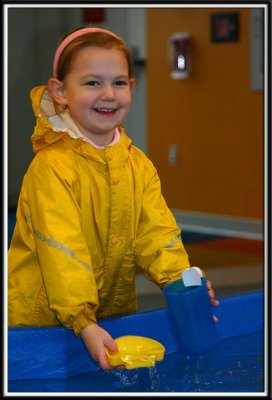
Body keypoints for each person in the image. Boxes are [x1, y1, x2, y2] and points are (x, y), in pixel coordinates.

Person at [8, 27, 219, 370]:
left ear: (131, 88)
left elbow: (157, 234)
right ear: (60, 91)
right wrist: (82, 321)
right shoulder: (51, 167)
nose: (108, 94)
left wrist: (183, 282)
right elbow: (63, 251)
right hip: (41, 322)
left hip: (110, 315)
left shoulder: (137, 164)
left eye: (119, 83)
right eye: (92, 83)